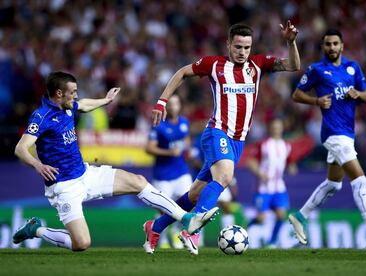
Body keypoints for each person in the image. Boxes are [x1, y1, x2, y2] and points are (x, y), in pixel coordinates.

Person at [12, 71, 218, 252]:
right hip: (64, 186)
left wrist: (105, 100)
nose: (76, 95)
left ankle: (186, 219)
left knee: (138, 181)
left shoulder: (68, 106)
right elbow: (21, 148)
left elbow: (82, 105)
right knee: (81, 243)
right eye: (73, 91)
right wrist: (38, 165)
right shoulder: (41, 116)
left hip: (86, 174)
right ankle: (36, 229)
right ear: (58, 93)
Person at [144, 21, 300, 255]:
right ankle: (192, 230)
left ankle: (155, 226)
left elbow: (293, 65)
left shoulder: (258, 64)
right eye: (238, 47)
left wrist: (291, 42)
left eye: (247, 48)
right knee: (225, 177)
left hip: (238, 141)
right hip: (218, 132)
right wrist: (162, 101)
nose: (242, 52)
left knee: (195, 194)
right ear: (228, 44)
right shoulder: (214, 64)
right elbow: (181, 73)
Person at [288, 29, 366, 249]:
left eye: (335, 43)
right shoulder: (317, 70)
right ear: (323, 47)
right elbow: (296, 94)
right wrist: (317, 102)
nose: (332, 47)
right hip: (333, 133)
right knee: (360, 180)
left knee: (334, 184)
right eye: (328, 44)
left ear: (342, 46)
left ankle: (300, 216)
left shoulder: (353, 67)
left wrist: (357, 94)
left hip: (347, 133)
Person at [145, 94, 193, 249]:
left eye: (176, 103)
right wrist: (169, 152)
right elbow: (149, 148)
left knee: (190, 202)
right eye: (170, 104)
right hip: (163, 174)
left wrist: (186, 148)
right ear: (166, 107)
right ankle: (164, 240)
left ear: (180, 105)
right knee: (162, 208)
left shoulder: (184, 122)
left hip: (181, 171)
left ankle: (178, 230)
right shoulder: (158, 124)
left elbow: (186, 139)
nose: (173, 107)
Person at [247, 118, 296, 247]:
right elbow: (251, 162)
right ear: (270, 128)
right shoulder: (263, 145)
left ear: (282, 128)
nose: (276, 129)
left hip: (279, 187)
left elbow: (290, 162)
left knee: (281, 214)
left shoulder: (286, 146)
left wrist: (292, 168)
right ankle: (243, 232)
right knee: (261, 218)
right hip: (263, 188)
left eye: (278, 127)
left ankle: (272, 242)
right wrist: (260, 173)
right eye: (274, 127)